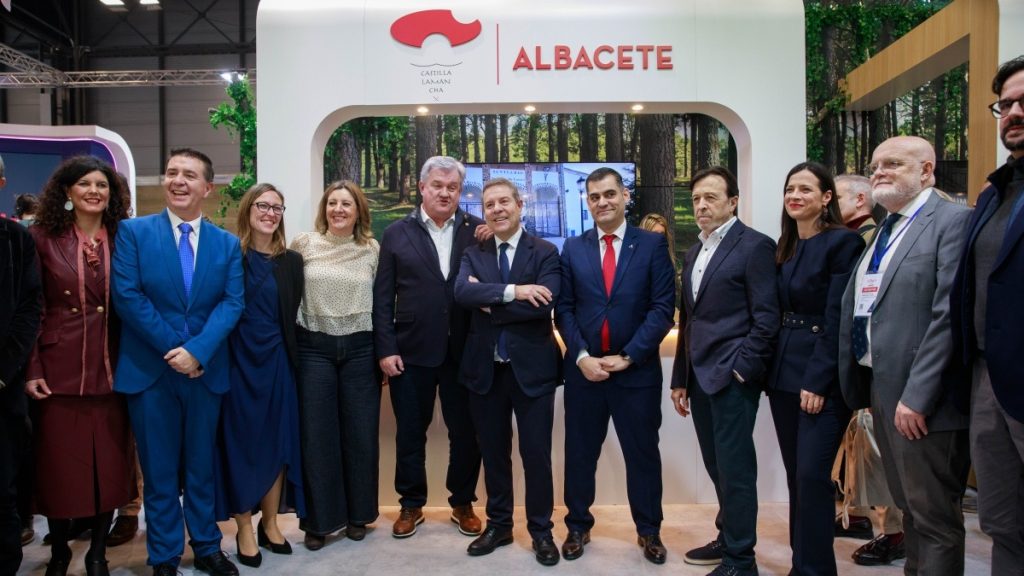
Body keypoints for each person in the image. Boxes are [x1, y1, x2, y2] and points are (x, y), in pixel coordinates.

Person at [838, 136, 971, 576]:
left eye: (893, 163)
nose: (879, 172)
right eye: (876, 165)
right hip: (883, 388)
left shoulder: (952, 222)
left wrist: (918, 395)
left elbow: (949, 314)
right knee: (909, 510)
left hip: (923, 401)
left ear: (927, 171)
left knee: (934, 518)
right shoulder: (887, 228)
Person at [112, 148, 244, 576]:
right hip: (151, 373)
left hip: (205, 374)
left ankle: (206, 546)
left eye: (189, 174)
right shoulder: (133, 233)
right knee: (159, 471)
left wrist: (198, 352)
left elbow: (232, 303)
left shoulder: (227, 244)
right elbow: (127, 297)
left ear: (208, 187)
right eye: (171, 173)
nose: (178, 181)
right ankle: (165, 554)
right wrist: (179, 352)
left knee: (201, 467)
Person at [21, 156, 135, 576]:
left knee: (109, 469)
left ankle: (98, 552)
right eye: (85, 183)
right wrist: (32, 367)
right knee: (59, 470)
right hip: (58, 370)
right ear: (67, 191)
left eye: (102, 185)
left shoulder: (124, 237)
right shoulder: (40, 238)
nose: (94, 191)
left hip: (113, 368)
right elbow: (30, 308)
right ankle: (59, 552)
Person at [555, 167, 675, 565]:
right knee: (580, 454)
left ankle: (649, 530)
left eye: (609, 194)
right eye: (594, 196)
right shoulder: (573, 248)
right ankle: (577, 525)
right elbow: (564, 309)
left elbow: (662, 308)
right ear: (587, 202)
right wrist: (582, 357)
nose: (602, 202)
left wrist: (628, 356)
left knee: (642, 454)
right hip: (585, 373)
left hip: (636, 372)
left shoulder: (651, 245)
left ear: (625, 196)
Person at [670, 166, 779, 576]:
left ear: (733, 202)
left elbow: (766, 318)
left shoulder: (755, 246)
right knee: (717, 466)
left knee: (736, 470)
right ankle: (728, 536)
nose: (701, 206)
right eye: (696, 199)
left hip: (732, 378)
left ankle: (741, 560)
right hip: (699, 377)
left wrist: (742, 370)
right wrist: (680, 378)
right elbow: (690, 319)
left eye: (711, 197)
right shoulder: (694, 252)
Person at [373, 156, 486, 539]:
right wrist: (386, 348)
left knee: (466, 434)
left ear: (460, 191)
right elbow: (382, 298)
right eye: (437, 185)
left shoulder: (477, 231)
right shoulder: (396, 233)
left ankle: (463, 503)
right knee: (410, 434)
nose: (445, 192)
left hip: (464, 351)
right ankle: (410, 504)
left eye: (452, 187)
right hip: (410, 352)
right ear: (422, 187)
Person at [454, 178, 562, 566]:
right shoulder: (473, 253)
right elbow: (462, 294)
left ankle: (541, 531)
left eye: (504, 202)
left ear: (519, 205)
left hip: (533, 372)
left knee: (536, 456)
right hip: (485, 371)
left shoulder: (545, 251)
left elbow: (544, 304)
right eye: (489, 204)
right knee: (494, 454)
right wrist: (515, 291)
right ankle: (499, 525)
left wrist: (489, 301)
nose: (497, 209)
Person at [764, 162, 863, 576]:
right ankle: (800, 564)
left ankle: (816, 569)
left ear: (826, 198)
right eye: (790, 189)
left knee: (812, 477)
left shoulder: (844, 243)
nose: (795, 196)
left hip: (820, 377)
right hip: (783, 375)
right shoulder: (786, 246)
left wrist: (818, 381)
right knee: (796, 477)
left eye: (805, 189)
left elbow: (839, 316)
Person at [949, 55, 1024, 576]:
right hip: (987, 380)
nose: (1013, 113)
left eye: (1023, 102)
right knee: (1002, 521)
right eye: (1006, 104)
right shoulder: (996, 194)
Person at [218, 183, 305, 566]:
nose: (270, 213)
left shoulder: (292, 262)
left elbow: (292, 314)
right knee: (240, 445)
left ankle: (270, 523)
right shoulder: (228, 256)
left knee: (277, 444)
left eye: (277, 208)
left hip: (278, 364)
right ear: (248, 209)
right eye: (263, 206)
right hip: (237, 364)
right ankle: (244, 527)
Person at [290, 180, 379, 550]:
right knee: (317, 436)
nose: (338, 210)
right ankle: (320, 521)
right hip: (314, 348)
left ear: (358, 212)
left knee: (361, 434)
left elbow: (384, 299)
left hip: (361, 349)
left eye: (346, 204)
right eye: (332, 203)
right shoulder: (304, 244)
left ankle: (359, 516)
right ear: (324, 209)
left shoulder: (371, 248)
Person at [832, 173, 906, 567]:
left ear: (861, 199)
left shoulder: (874, 239)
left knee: (882, 450)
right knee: (860, 444)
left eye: (837, 196)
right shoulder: (856, 239)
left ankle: (894, 532)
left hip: (885, 362)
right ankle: (860, 514)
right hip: (858, 362)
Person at [0, 157, 43, 576]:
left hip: (3, 384)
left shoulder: (16, 239)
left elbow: (30, 308)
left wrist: (3, 371)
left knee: (3, 488)